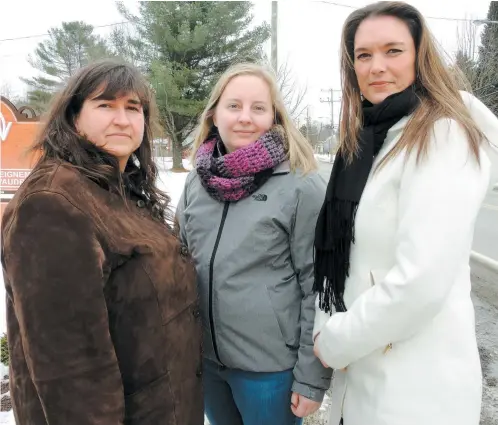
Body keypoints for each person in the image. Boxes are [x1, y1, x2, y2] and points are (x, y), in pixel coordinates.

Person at [312, 2, 493, 425]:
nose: (377, 66)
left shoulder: (441, 134)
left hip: (415, 390)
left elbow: (421, 282)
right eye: (363, 55)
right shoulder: (368, 143)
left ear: (419, 56)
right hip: (362, 381)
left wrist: (335, 339)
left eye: (393, 51)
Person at [1, 59, 203, 425]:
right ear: (74, 117)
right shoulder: (52, 204)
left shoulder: (117, 189)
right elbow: (70, 371)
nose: (122, 119)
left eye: (133, 108)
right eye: (105, 105)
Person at [175, 62, 332, 425]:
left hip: (270, 370)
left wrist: (311, 377)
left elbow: (318, 286)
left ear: (274, 117)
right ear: (214, 115)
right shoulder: (197, 183)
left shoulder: (300, 184)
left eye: (258, 108)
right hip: (208, 363)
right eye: (233, 106)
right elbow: (179, 263)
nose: (245, 118)